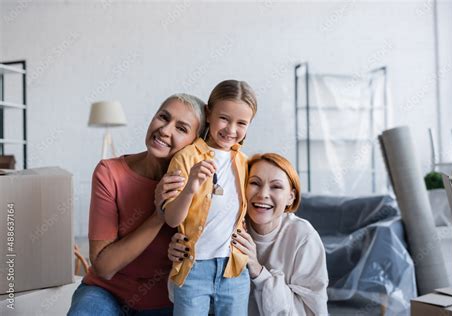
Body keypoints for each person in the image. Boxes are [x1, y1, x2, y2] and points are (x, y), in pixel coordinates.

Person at [68, 93, 206, 316]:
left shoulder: (200, 186)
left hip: (168, 301)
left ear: (197, 143)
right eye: (163, 117)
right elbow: (103, 267)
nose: (165, 130)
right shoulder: (109, 172)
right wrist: (159, 215)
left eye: (181, 128)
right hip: (106, 293)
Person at [168, 153, 329, 315]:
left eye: (276, 187)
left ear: (291, 197)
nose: (263, 194)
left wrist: (258, 271)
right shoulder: (225, 226)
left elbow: (312, 311)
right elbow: (189, 298)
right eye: (254, 183)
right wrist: (185, 254)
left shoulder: (303, 237)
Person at [162, 80, 258, 315]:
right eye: (224, 118)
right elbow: (172, 220)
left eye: (241, 123)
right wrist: (191, 186)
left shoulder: (245, 163)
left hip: (234, 269)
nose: (231, 129)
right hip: (194, 269)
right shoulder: (186, 158)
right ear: (208, 113)